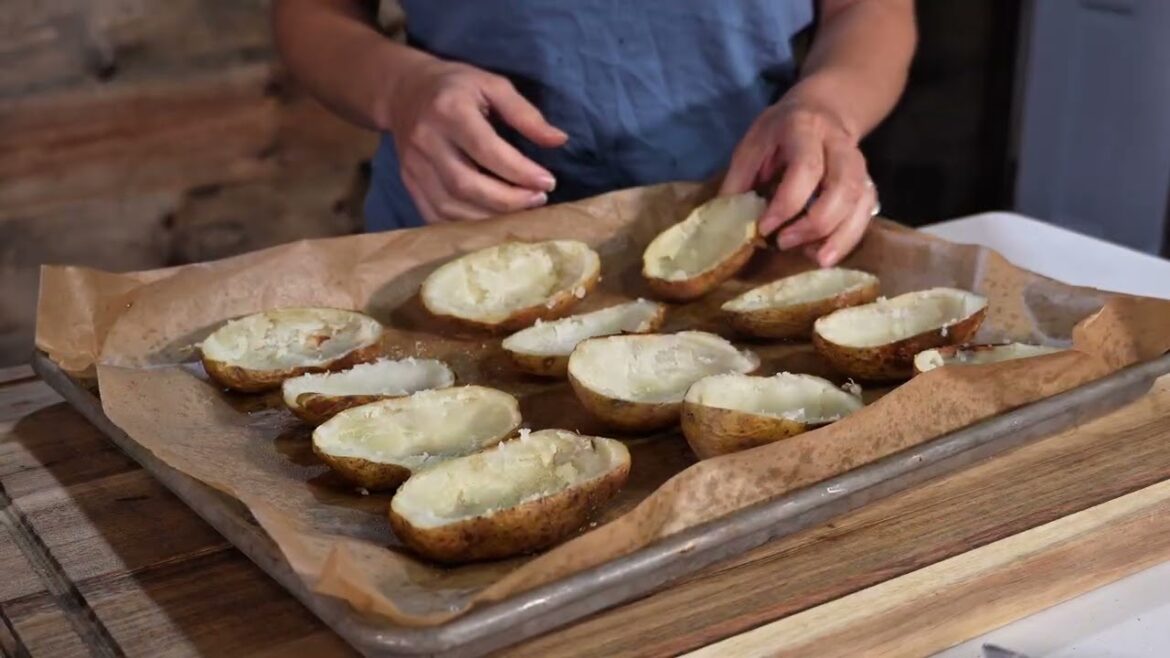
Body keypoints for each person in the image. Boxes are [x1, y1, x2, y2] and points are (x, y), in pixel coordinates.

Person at [273, 1, 915, 267]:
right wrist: (400, 90)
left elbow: (872, 8)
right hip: (450, 237)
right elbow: (311, 12)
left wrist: (829, 108)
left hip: (750, 235)